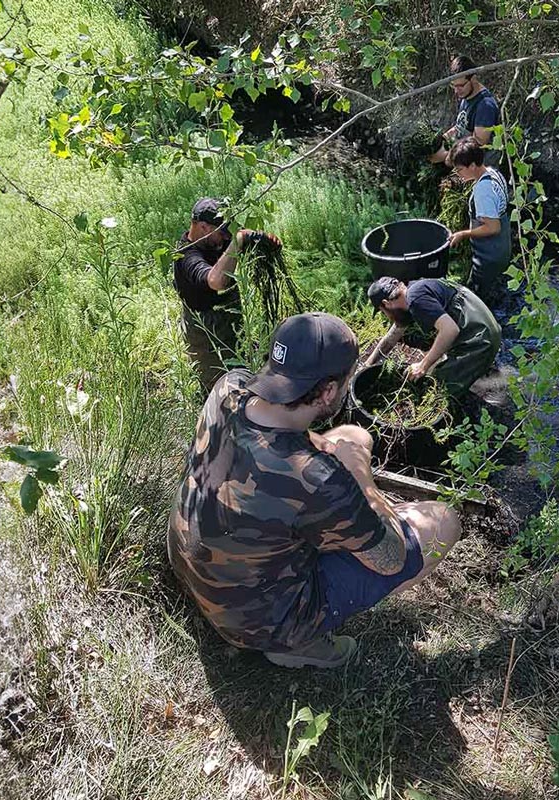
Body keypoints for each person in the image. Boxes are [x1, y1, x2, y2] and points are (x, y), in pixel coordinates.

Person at [167, 312, 462, 669]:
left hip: (194, 568)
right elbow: (391, 558)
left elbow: (294, 445)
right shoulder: (320, 480)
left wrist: (344, 457)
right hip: (258, 624)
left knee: (353, 436)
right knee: (444, 521)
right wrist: (360, 481)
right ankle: (299, 644)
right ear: (327, 391)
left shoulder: (230, 387)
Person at [173, 198, 280, 390]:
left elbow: (242, 240)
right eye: (222, 232)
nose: (225, 238)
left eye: (228, 233)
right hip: (205, 333)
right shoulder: (185, 256)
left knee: (252, 370)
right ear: (203, 227)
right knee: (221, 390)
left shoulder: (214, 240)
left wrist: (263, 241)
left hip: (233, 322)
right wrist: (238, 241)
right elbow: (216, 281)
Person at [363, 276, 501, 399]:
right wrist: (367, 365)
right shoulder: (414, 290)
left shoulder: (416, 299)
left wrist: (422, 366)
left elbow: (450, 330)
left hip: (480, 341)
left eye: (383, 312)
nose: (388, 317)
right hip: (482, 329)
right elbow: (394, 334)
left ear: (386, 303)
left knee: (437, 390)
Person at [447, 136, 512, 308]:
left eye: (460, 169)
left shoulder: (484, 191)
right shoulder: (493, 173)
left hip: (489, 256)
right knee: (496, 289)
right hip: (502, 249)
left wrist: (463, 234)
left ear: (473, 166)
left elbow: (493, 227)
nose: (458, 173)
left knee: (476, 299)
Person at [429, 55, 501, 166]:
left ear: (473, 79)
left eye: (461, 85)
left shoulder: (485, 105)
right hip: (465, 161)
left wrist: (450, 155)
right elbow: (460, 127)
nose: (457, 91)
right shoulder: (466, 96)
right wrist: (442, 139)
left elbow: (479, 142)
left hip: (481, 168)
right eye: (454, 86)